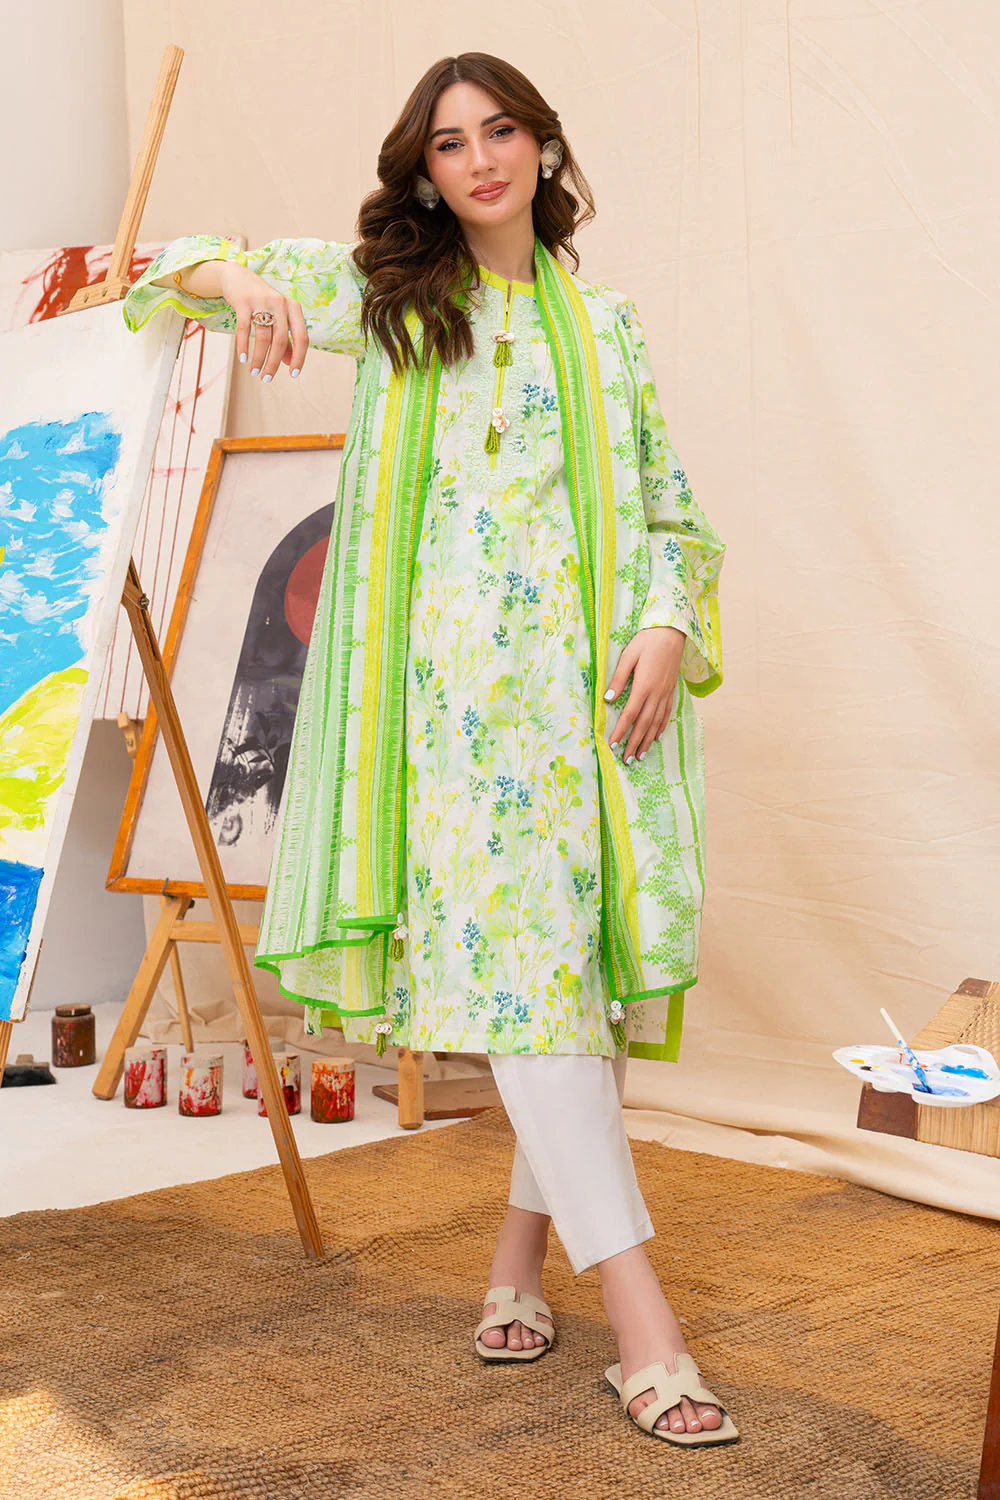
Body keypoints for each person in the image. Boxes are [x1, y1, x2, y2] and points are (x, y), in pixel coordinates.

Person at [123, 51, 735, 1447]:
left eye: (500, 131)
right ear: (426, 173)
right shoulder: (395, 302)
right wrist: (238, 283)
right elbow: (153, 276)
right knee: (531, 994)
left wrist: (663, 625)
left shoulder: (607, 328)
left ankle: (517, 1262)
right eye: (449, 144)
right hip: (452, 729)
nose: (479, 160)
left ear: (542, 147)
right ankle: (646, 1329)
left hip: (592, 714)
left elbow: (670, 513)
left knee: (570, 994)